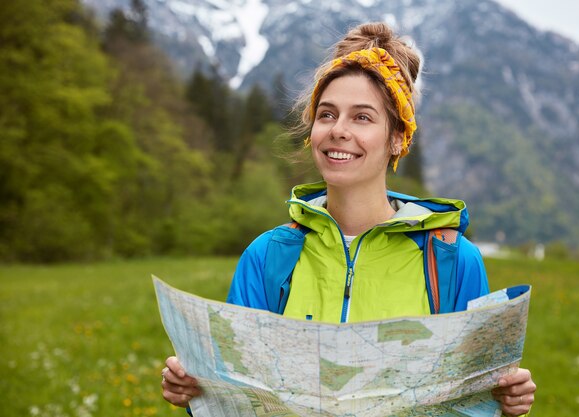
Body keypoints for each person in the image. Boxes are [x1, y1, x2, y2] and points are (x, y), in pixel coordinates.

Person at [161, 22, 536, 416]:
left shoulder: (452, 261)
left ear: (397, 138)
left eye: (362, 117)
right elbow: (237, 397)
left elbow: (468, 405)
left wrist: (502, 405)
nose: (338, 130)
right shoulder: (267, 256)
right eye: (327, 114)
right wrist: (198, 390)